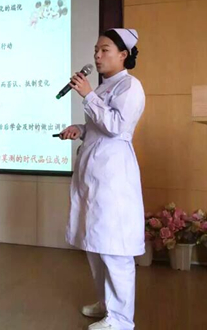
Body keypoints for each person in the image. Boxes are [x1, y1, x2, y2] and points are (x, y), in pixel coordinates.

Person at [59, 29, 145, 330]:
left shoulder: (130, 86)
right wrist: (80, 130)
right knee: (95, 243)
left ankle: (121, 319)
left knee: (113, 247)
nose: (97, 55)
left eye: (104, 50)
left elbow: (117, 127)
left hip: (114, 175)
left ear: (123, 54)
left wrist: (88, 95)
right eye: (96, 50)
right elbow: (99, 126)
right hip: (94, 175)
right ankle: (107, 304)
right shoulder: (105, 87)